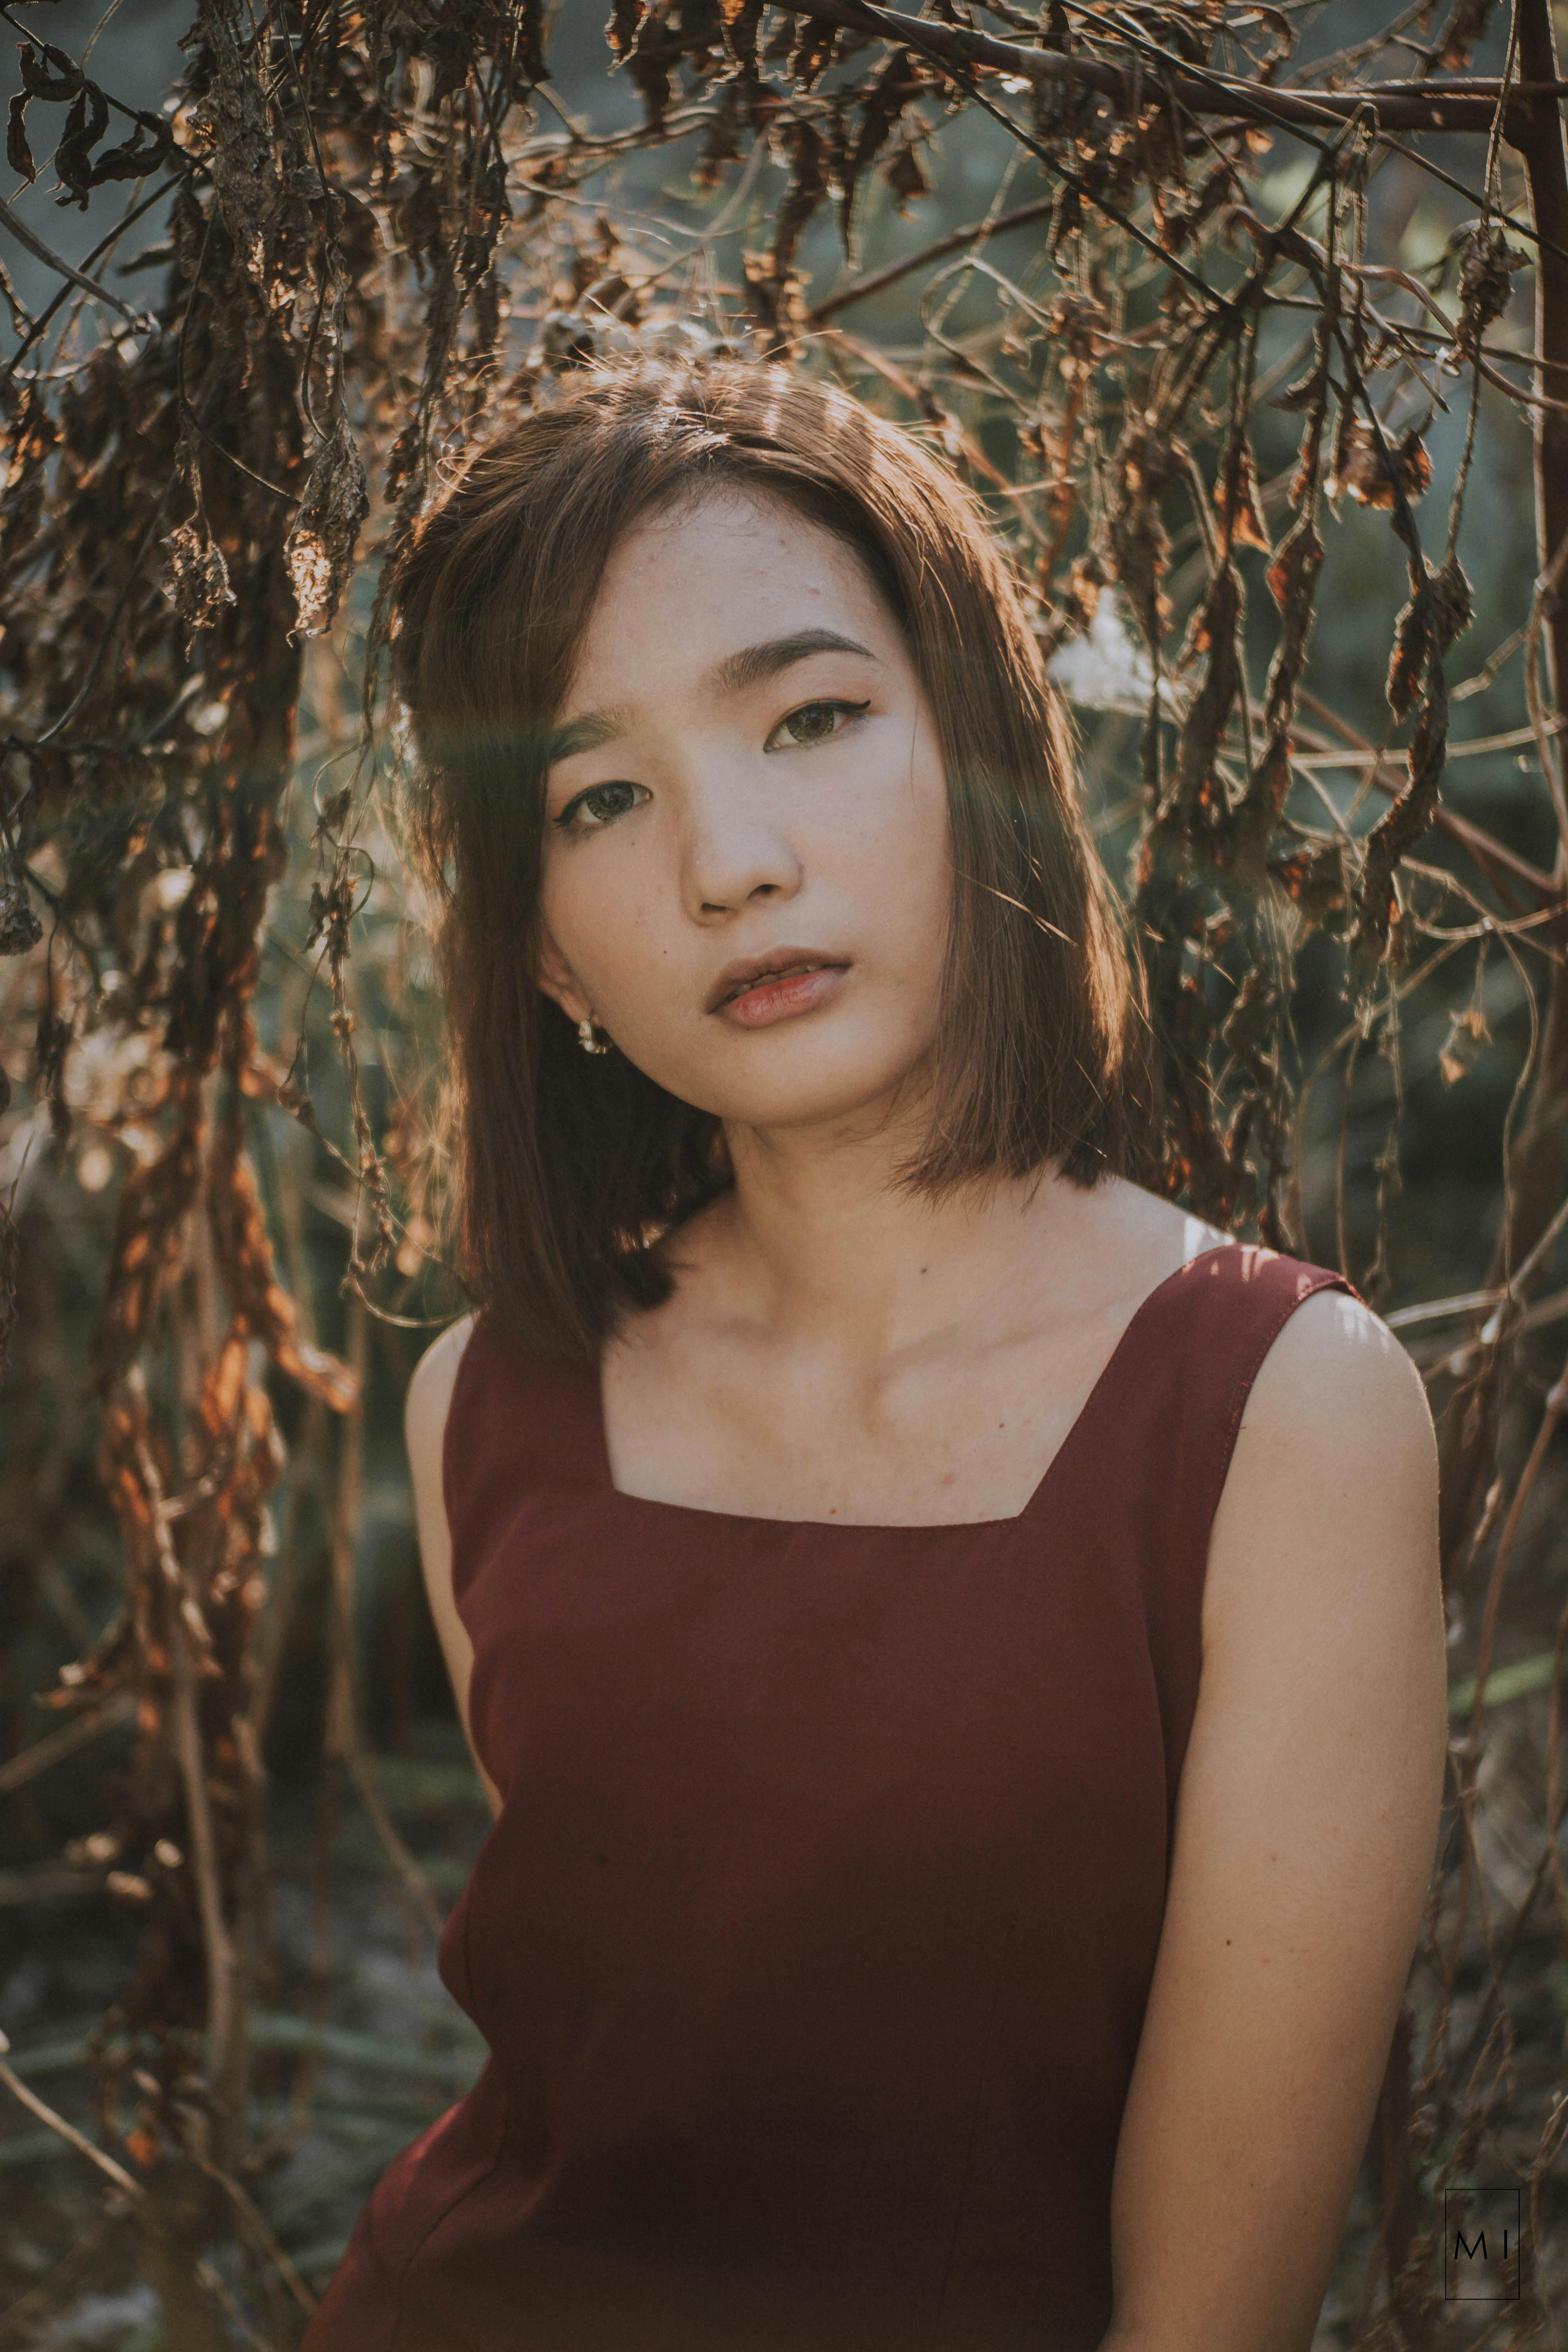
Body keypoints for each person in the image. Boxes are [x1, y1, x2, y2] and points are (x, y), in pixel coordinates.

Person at [301, 359, 1448, 2352]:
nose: (728, 861)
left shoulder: (1282, 1412)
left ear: (980, 748)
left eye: (810, 717)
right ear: (552, 954)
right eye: (599, 796)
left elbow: (1207, 2321)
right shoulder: (485, 1403)